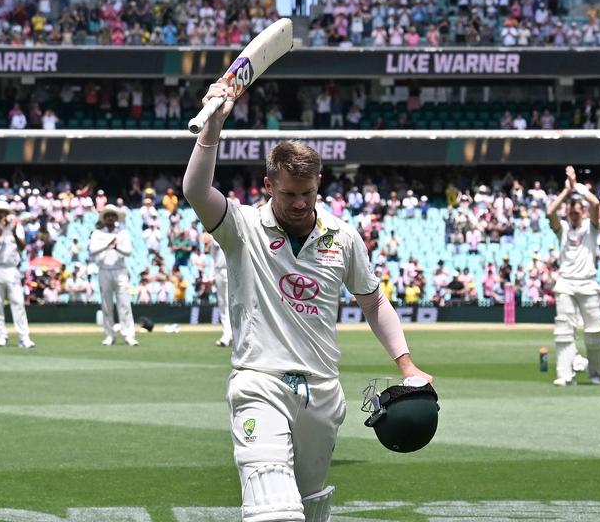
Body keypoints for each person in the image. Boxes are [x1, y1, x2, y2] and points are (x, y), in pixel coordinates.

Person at [182, 78, 432, 522]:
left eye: (308, 193)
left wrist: (407, 365)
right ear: (268, 185)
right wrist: (212, 128)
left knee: (312, 503)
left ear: (319, 185)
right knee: (273, 509)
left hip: (322, 391)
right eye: (288, 194)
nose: (299, 204)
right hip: (260, 383)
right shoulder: (241, 226)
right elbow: (197, 192)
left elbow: (374, 304)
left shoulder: (343, 236)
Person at [547, 165, 600, 386]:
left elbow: (596, 204)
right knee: (564, 331)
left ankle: (597, 373)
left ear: (582, 212)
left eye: (577, 211)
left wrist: (577, 187)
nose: (573, 215)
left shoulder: (591, 228)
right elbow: (550, 212)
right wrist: (566, 191)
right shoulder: (562, 228)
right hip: (565, 284)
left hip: (588, 283)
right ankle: (564, 374)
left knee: (595, 331)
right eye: (570, 212)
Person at [0, 200, 35, 348]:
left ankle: (23, 337)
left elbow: (22, 246)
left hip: (11, 269)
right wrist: (0, 231)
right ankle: (1, 335)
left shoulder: (17, 227)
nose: (1, 215)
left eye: (3, 212)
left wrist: (12, 231)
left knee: (18, 302)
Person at [90, 203, 137, 346]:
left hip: (120, 271)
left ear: (116, 218)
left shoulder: (122, 233)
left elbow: (128, 251)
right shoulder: (98, 233)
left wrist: (116, 247)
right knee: (106, 305)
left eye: (112, 215)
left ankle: (129, 335)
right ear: (104, 218)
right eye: (107, 216)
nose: (110, 218)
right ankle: (109, 335)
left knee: (124, 304)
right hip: (104, 270)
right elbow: (92, 251)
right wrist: (108, 245)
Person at [206, 232, 232, 347]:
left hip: (230, 270)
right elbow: (213, 257)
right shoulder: (215, 235)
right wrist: (211, 275)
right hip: (219, 271)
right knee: (222, 304)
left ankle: (229, 336)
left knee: (229, 304)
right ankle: (226, 334)